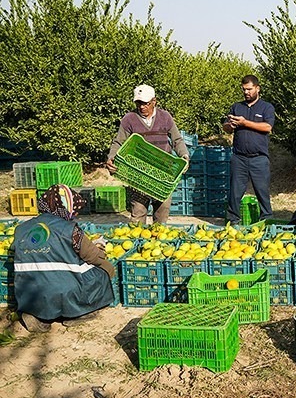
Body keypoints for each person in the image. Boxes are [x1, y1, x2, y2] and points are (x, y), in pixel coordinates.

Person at [12, 185, 116, 333]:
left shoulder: (21, 229)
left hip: (28, 290)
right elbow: (94, 257)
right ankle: (77, 314)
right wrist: (100, 249)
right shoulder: (70, 229)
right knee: (105, 268)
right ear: (67, 207)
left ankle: (37, 316)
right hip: (63, 290)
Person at [106, 84, 190, 225]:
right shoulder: (129, 119)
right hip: (139, 173)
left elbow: (177, 140)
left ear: (154, 101)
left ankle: (158, 237)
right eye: (138, 103)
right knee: (138, 213)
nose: (142, 107)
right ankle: (138, 237)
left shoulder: (165, 117)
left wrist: (184, 156)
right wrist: (111, 158)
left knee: (162, 214)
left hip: (163, 173)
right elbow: (119, 142)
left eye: (145, 103)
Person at [222, 74, 276, 224]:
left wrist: (244, 123)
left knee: (262, 191)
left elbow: (267, 127)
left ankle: (266, 221)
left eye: (249, 89)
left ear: (257, 88)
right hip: (239, 157)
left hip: (259, 158)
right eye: (244, 89)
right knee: (235, 192)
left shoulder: (266, 107)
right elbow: (226, 127)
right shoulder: (237, 107)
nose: (246, 92)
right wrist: (230, 126)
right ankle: (233, 221)